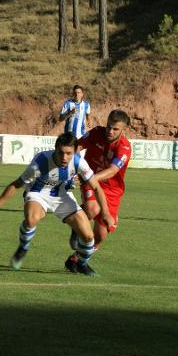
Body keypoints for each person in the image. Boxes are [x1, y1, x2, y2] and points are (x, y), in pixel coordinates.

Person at [0, 132, 114, 276]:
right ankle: (23, 247)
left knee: (88, 237)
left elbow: (96, 187)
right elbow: (17, 184)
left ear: (74, 151)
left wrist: (105, 212)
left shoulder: (79, 162)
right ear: (55, 148)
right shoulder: (41, 162)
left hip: (62, 195)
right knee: (32, 219)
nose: (64, 157)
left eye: (69, 153)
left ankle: (81, 264)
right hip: (38, 193)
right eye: (61, 153)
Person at [65, 109, 131, 274]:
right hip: (90, 182)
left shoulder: (124, 147)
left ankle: (77, 261)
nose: (110, 131)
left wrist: (90, 176)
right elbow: (77, 146)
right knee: (93, 209)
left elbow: (112, 171)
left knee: (100, 235)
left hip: (112, 190)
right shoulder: (96, 133)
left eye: (115, 129)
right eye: (109, 126)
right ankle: (76, 226)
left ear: (123, 130)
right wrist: (76, 166)